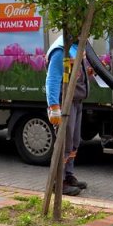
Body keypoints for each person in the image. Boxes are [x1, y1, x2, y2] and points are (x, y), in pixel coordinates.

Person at [46, 36, 89, 196]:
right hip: (65, 103)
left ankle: (68, 175)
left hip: (76, 101)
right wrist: (54, 107)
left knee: (74, 142)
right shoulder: (60, 50)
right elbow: (53, 79)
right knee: (65, 143)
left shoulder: (75, 46)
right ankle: (58, 182)